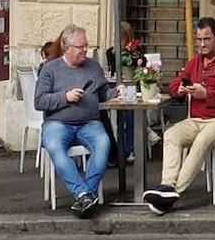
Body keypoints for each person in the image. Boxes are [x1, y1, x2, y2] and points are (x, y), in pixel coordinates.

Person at [142, 18, 215, 215]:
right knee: (171, 135)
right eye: (200, 40)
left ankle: (173, 192)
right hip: (197, 119)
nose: (203, 44)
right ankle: (166, 185)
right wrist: (179, 89)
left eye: (207, 39)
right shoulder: (195, 61)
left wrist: (208, 94)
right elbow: (175, 83)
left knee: (201, 140)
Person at [34, 24, 114, 218]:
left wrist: (116, 93)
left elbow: (103, 93)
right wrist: (65, 97)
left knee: (104, 143)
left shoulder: (93, 66)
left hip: (89, 122)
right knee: (53, 145)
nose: (85, 50)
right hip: (58, 123)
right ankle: (83, 193)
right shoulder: (50, 69)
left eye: (86, 45)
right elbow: (39, 101)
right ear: (66, 47)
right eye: (80, 47)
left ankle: (87, 196)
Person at [104, 21, 139, 165]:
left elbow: (138, 70)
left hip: (131, 87)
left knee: (129, 114)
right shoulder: (110, 52)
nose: (116, 41)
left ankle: (129, 148)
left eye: (120, 38)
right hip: (115, 86)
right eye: (115, 37)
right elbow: (111, 70)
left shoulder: (135, 53)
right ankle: (115, 150)